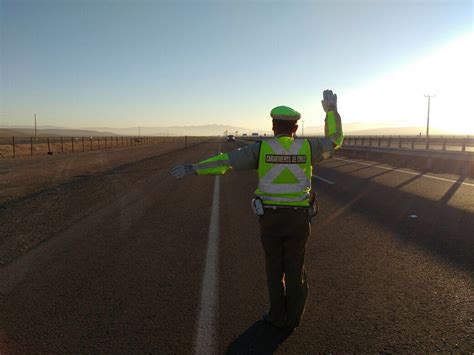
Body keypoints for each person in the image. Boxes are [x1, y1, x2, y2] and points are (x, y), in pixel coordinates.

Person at [171, 90, 343, 331]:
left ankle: (275, 315)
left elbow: (226, 162)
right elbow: (335, 139)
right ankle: (292, 318)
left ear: (273, 126)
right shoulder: (308, 148)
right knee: (295, 267)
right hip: (298, 218)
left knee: (274, 267)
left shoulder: (260, 149)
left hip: (270, 218)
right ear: (295, 128)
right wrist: (331, 111)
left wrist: (195, 168)